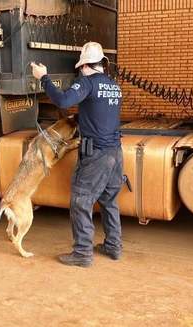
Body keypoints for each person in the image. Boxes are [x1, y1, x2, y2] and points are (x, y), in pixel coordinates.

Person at [31, 41, 123, 267]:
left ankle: (82, 253)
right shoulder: (113, 85)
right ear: (102, 63)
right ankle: (113, 247)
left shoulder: (87, 83)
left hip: (97, 155)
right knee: (109, 201)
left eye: (80, 67)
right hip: (115, 152)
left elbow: (62, 100)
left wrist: (43, 77)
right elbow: (97, 114)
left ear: (84, 66)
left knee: (81, 201)